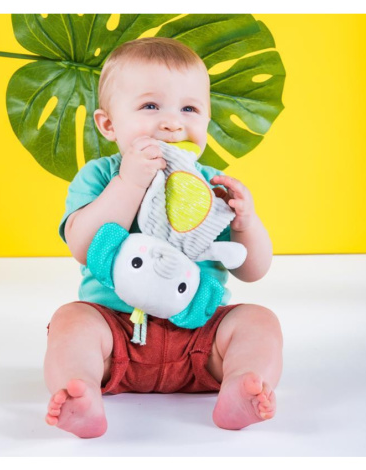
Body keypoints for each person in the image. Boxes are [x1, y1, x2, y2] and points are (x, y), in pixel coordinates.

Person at [44, 37, 283, 438]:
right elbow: (83, 248)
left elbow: (253, 271)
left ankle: (240, 384)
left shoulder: (211, 187)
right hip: (115, 333)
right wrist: (129, 183)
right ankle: (80, 391)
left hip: (200, 338)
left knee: (259, 321)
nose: (173, 123)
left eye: (189, 109)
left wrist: (246, 223)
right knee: (71, 320)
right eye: (150, 106)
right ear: (109, 124)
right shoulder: (101, 176)